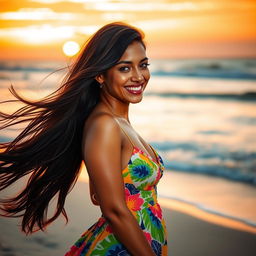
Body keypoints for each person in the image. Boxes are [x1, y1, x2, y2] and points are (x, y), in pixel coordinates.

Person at [0, 22, 168, 255]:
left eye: (143, 65)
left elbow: (96, 195)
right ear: (100, 74)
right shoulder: (104, 124)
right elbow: (112, 210)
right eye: (124, 68)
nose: (139, 77)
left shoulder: (119, 123)